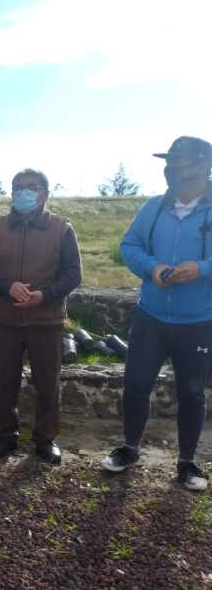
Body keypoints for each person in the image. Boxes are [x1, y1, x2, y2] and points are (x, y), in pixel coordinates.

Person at [101, 136, 212, 491]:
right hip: (150, 316)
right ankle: (129, 448)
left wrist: (202, 269)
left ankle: (187, 462)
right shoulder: (153, 207)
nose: (172, 168)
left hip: (198, 321)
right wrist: (152, 268)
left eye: (181, 161)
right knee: (136, 385)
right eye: (170, 161)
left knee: (192, 392)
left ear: (203, 166)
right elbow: (129, 245)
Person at [0, 169, 82, 465]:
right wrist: (6, 287)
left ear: (45, 193)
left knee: (47, 383)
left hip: (45, 320)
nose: (23, 192)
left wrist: (45, 296)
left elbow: (73, 274)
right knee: (4, 381)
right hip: (5, 319)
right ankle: (4, 436)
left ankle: (45, 439)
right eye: (17, 187)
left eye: (31, 187)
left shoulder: (62, 228)